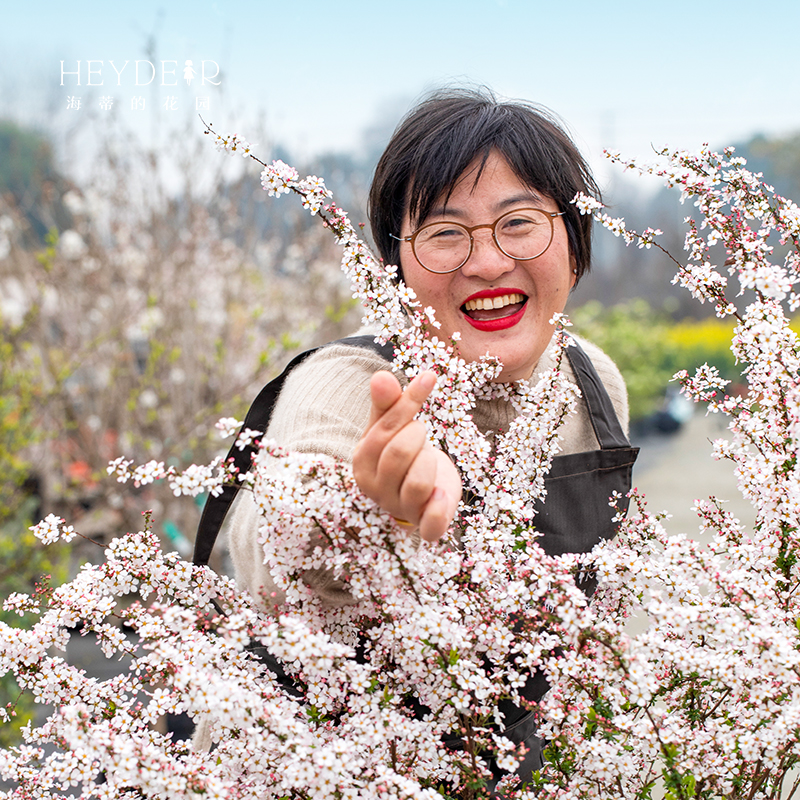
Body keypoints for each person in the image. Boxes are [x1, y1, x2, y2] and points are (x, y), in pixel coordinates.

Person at [194, 87, 637, 789]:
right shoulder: (351, 381)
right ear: (396, 271)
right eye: (444, 232)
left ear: (576, 244)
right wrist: (366, 510)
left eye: (519, 222)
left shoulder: (595, 385)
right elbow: (271, 530)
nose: (487, 263)